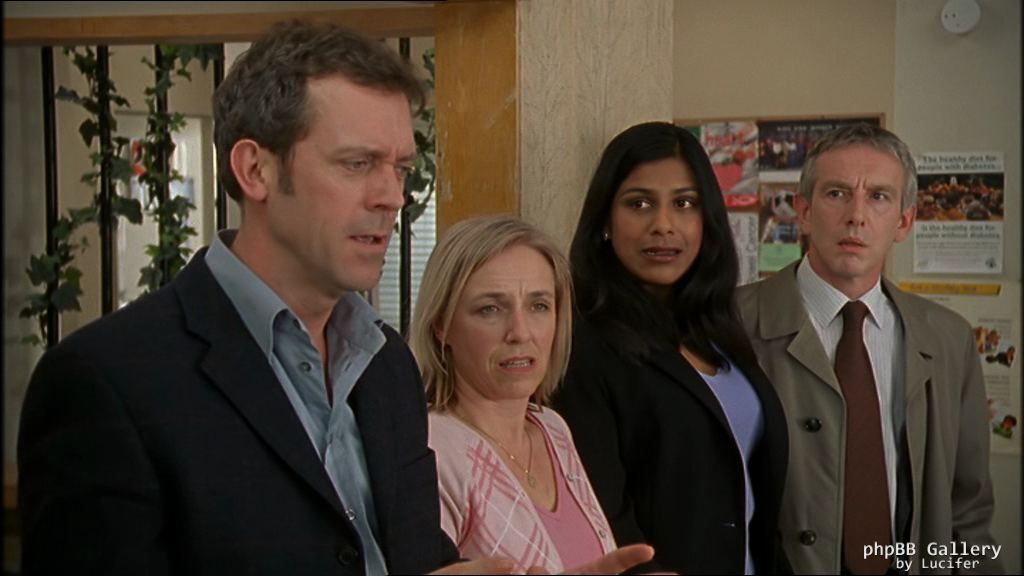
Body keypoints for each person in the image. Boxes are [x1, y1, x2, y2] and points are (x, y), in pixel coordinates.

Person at [19, 22, 659, 576]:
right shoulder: (111, 382)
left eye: (400, 168)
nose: (392, 196)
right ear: (255, 170)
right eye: (358, 164)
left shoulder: (385, 366)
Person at [736, 124, 1001, 574]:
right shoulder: (732, 323)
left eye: (878, 196)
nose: (856, 216)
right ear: (803, 211)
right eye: (837, 193)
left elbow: (968, 510)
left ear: (904, 221)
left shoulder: (949, 339)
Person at [552, 121, 790, 574]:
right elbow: (599, 510)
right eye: (638, 203)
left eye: (684, 204)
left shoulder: (718, 330)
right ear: (605, 219)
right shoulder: (583, 345)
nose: (663, 225)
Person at [410, 215, 654, 574]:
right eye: (490, 309)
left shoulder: (551, 428)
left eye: (539, 306)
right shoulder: (430, 450)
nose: (520, 333)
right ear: (441, 325)